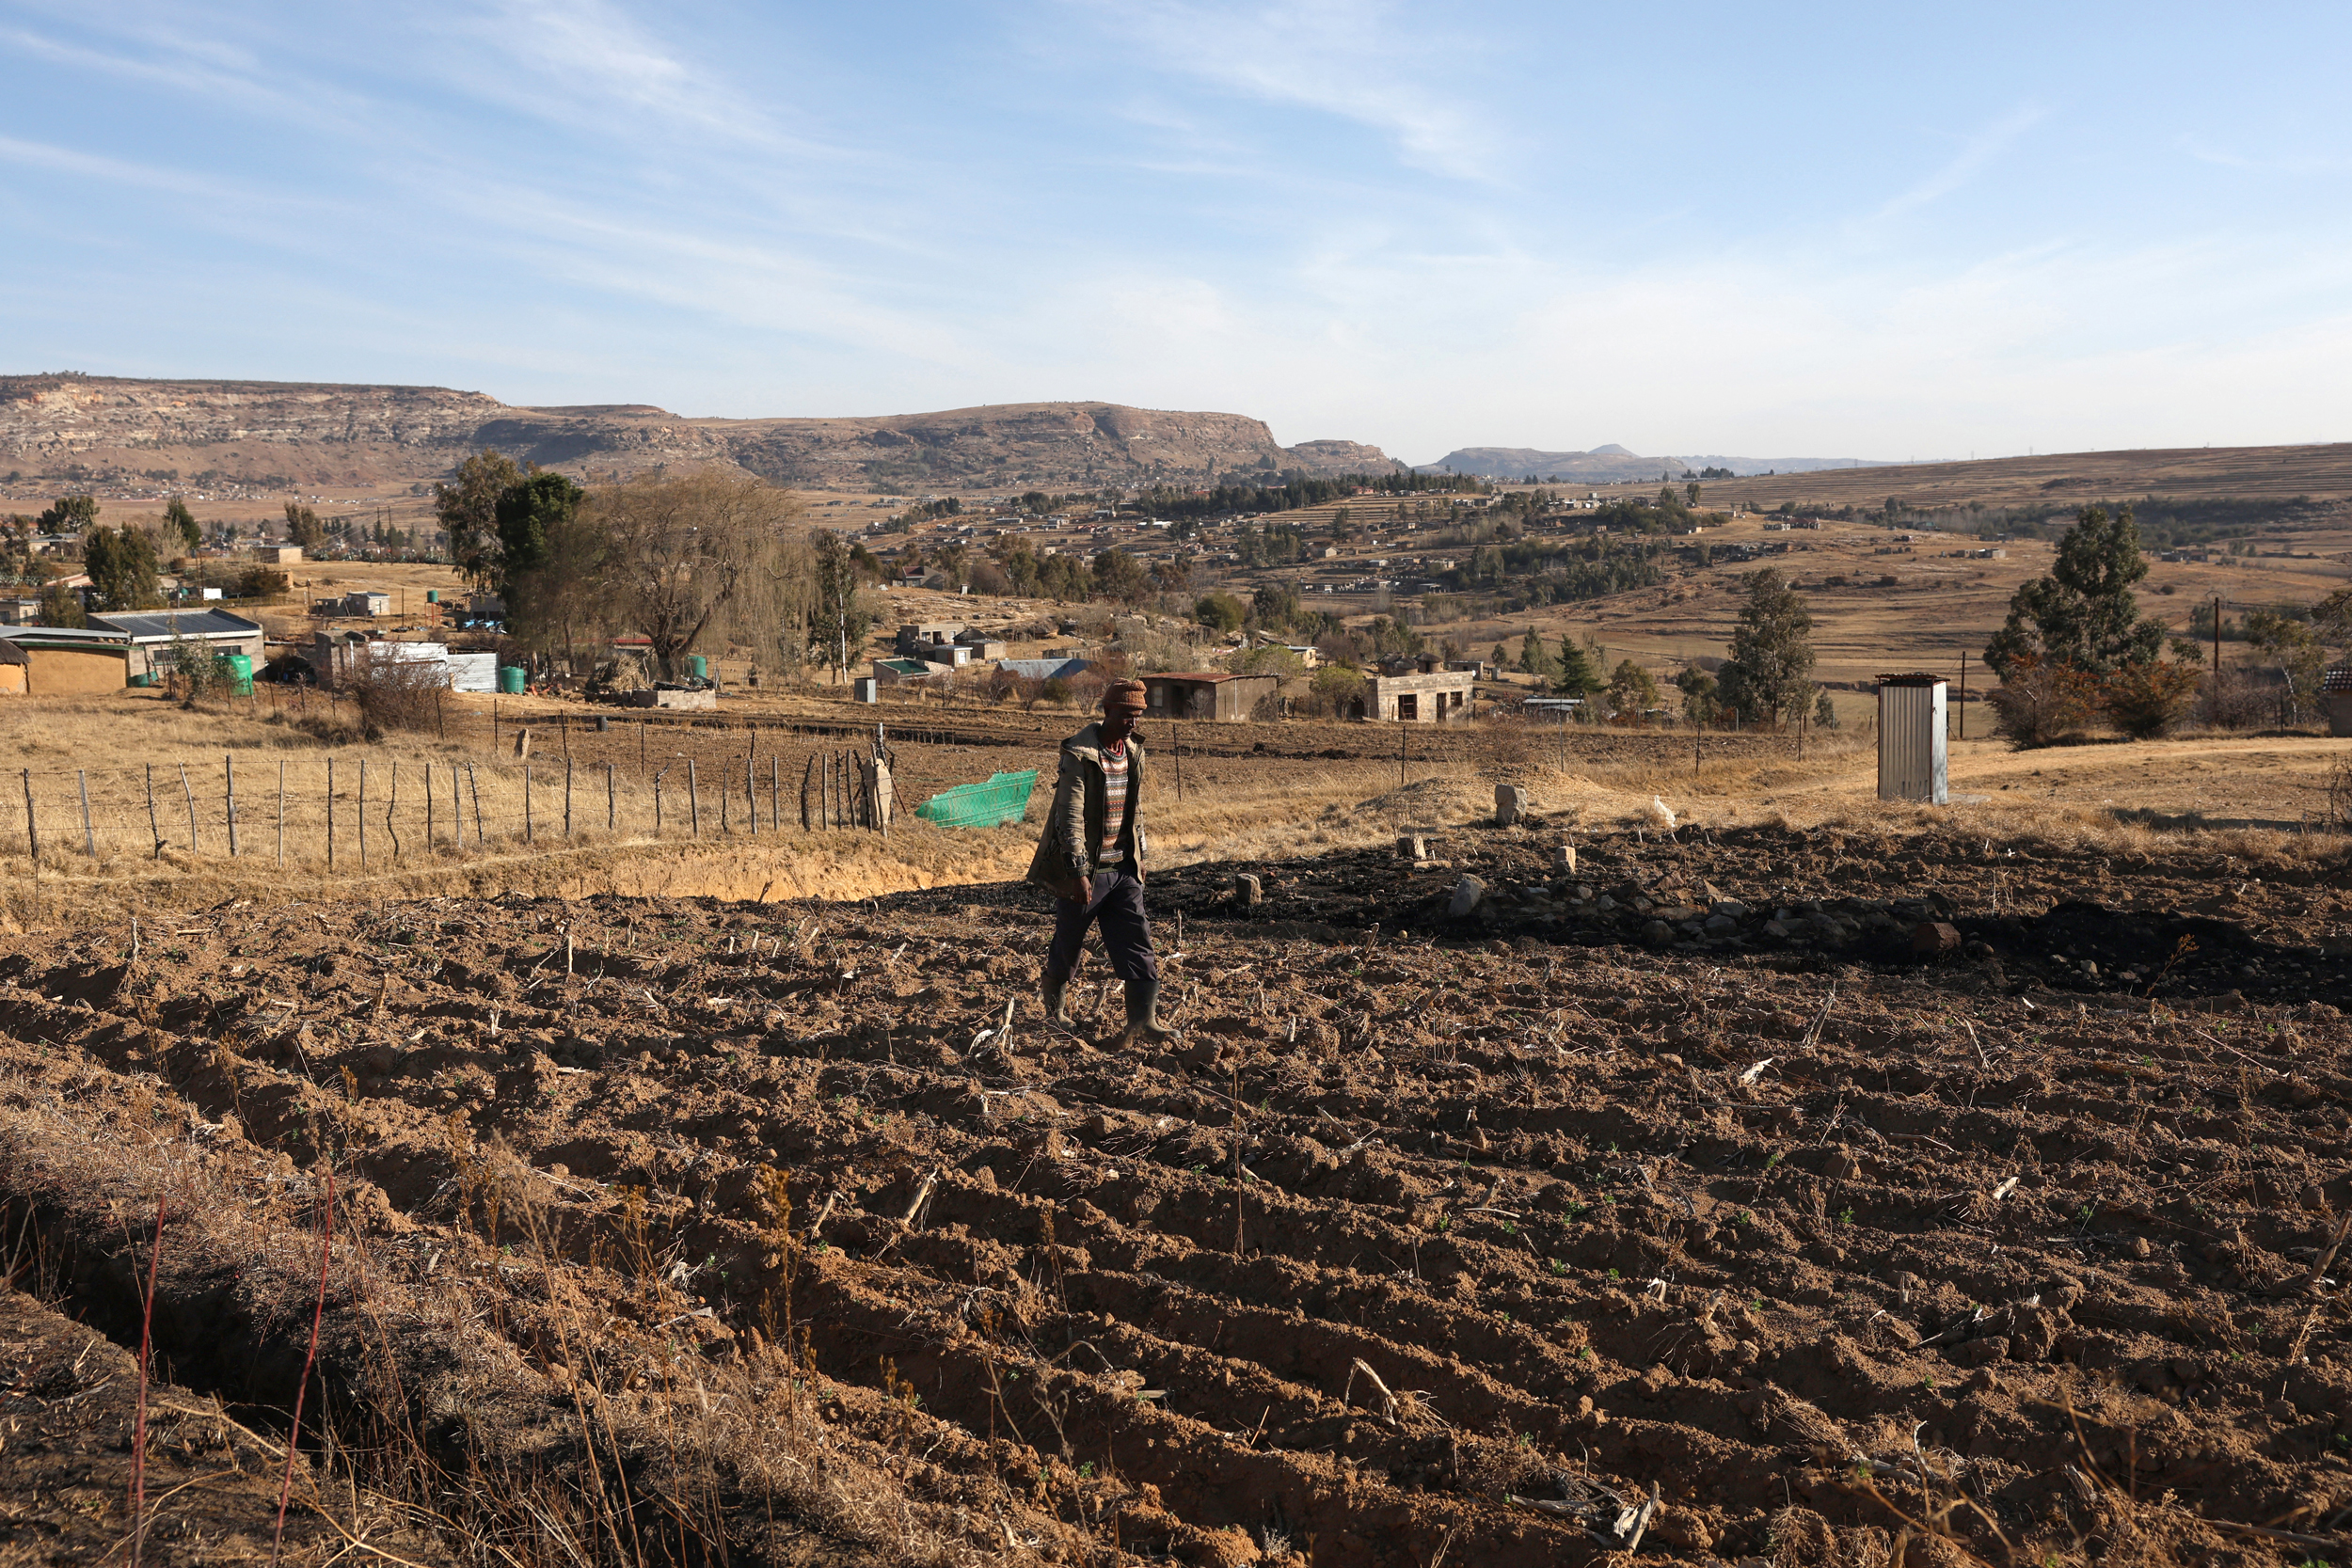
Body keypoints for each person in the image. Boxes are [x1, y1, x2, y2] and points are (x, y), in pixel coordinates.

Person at [1026, 679, 1175, 1044]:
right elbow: (1069, 815)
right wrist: (1077, 871)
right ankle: (1055, 1015)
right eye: (1126, 715)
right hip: (1089, 872)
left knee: (1138, 942)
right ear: (1107, 711)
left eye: (1137, 716)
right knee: (1069, 943)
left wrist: (1141, 854)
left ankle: (1143, 1021)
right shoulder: (1080, 754)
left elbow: (1135, 809)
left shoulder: (1133, 751)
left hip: (1123, 869)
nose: (1133, 723)